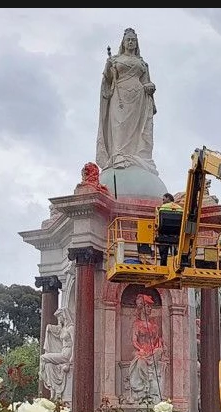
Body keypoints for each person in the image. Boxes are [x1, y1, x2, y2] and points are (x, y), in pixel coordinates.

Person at [95, 28, 158, 174]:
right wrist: (107, 66)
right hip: (119, 96)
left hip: (139, 97)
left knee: (136, 129)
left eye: (133, 40)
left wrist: (150, 87)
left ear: (137, 43)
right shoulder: (115, 60)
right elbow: (108, 80)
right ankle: (118, 157)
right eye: (128, 40)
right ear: (123, 42)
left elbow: (146, 82)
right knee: (120, 126)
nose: (130, 42)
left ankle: (135, 158)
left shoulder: (142, 63)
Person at [128, 294, 167, 403]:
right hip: (141, 350)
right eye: (148, 306)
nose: (150, 309)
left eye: (151, 306)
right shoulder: (137, 324)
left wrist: (159, 345)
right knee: (140, 362)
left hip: (152, 351)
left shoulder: (154, 325)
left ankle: (153, 390)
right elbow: (134, 341)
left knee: (158, 351)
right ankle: (144, 388)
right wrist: (141, 349)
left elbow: (156, 340)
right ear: (142, 308)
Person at [39, 307, 74, 401]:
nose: (58, 319)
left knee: (43, 358)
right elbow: (56, 331)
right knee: (48, 365)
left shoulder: (71, 328)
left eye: (59, 317)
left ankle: (41, 377)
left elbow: (75, 343)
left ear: (64, 316)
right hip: (63, 352)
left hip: (67, 354)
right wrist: (49, 327)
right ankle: (54, 390)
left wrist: (73, 357)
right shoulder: (63, 329)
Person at [156, 193, 183, 266]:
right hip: (176, 235)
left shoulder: (163, 207)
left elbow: (158, 222)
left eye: (163, 199)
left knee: (163, 253)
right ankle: (176, 264)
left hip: (164, 234)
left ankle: (163, 265)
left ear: (168, 198)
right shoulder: (180, 208)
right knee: (176, 253)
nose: (163, 201)